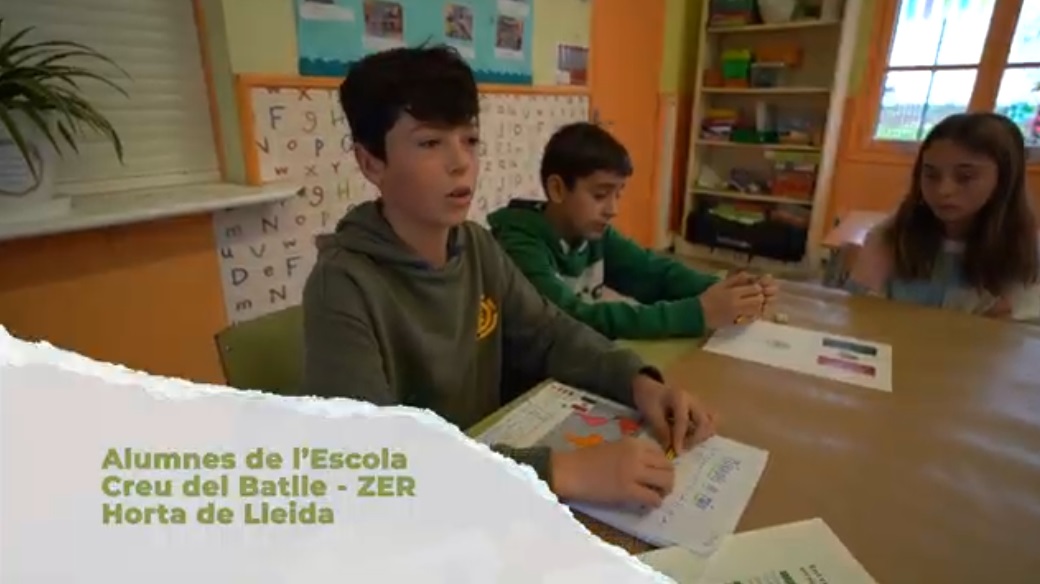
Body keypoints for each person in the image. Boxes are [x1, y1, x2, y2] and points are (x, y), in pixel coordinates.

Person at [301, 45, 718, 509]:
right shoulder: (342, 286)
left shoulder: (477, 246)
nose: (460, 162)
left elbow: (550, 333)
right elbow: (372, 462)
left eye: (470, 139)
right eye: (430, 143)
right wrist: (561, 471)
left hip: (492, 477)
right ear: (371, 162)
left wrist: (639, 382)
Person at [488, 122, 779, 340]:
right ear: (557, 189)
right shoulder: (518, 244)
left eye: (618, 194)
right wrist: (698, 313)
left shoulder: (595, 234)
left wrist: (730, 291)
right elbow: (571, 319)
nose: (612, 209)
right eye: (600, 195)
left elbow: (654, 273)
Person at [846, 112, 1040, 320]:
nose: (943, 190)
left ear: (1004, 180)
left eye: (965, 177)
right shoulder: (892, 237)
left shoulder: (1026, 251)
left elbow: (1018, 331)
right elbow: (858, 315)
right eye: (931, 174)